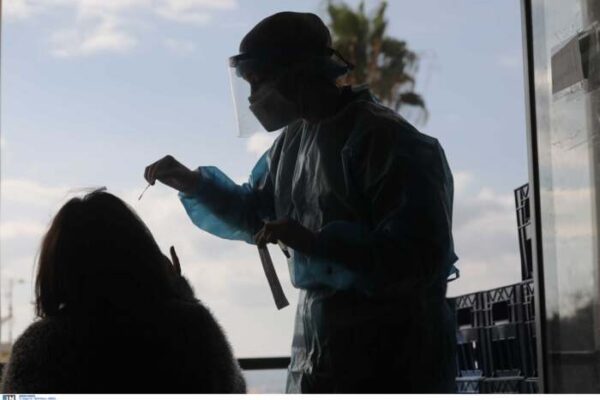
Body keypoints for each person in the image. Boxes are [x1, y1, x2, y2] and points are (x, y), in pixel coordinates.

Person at [144, 12, 458, 393]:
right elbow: (255, 213)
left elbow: (420, 257)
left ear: (297, 72)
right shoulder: (292, 144)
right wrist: (193, 183)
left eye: (258, 81)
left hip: (396, 358)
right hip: (320, 355)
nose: (253, 98)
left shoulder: (387, 140)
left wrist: (316, 244)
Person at [0, 191, 246, 394]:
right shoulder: (193, 330)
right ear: (144, 254)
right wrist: (180, 295)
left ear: (57, 266)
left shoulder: (38, 349)